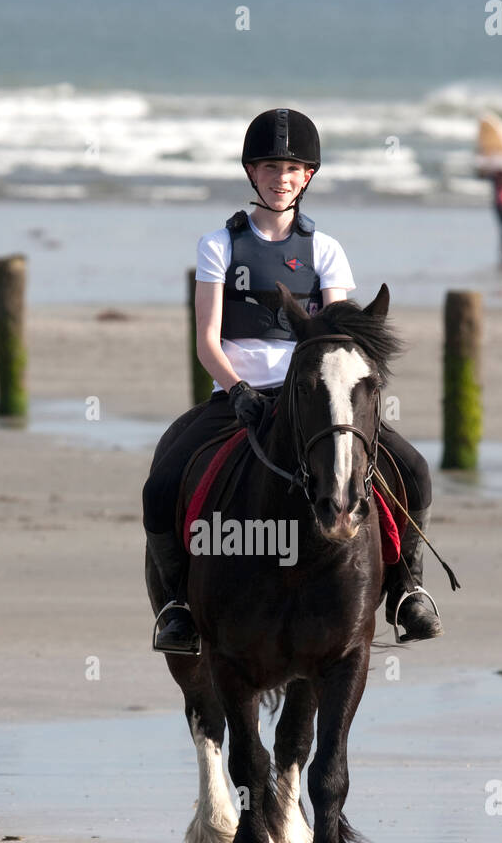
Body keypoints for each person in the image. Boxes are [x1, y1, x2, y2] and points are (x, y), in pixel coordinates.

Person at [142, 107, 442, 653]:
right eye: (270, 166)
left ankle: (406, 591)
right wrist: (239, 393)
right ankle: (177, 607)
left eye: (292, 169)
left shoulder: (325, 249)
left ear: (307, 177)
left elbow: (339, 337)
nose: (281, 177)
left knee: (415, 472)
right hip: (236, 399)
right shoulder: (219, 245)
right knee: (160, 485)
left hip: (313, 400)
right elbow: (207, 340)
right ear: (251, 173)